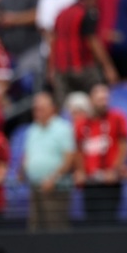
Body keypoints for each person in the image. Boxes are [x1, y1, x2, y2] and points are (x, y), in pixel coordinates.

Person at [74, 83, 127, 226]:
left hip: (110, 181)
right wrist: (80, 171)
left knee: (109, 220)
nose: (103, 103)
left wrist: (115, 169)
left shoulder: (117, 118)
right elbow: (79, 150)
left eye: (105, 99)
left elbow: (124, 146)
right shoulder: (82, 124)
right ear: (91, 100)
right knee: (91, 221)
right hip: (90, 182)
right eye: (99, 99)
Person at [23, 93, 75, 231]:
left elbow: (69, 159)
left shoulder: (63, 128)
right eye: (35, 108)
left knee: (55, 227)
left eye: (41, 108)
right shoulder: (32, 129)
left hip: (55, 189)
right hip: (35, 187)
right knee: (35, 227)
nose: (37, 111)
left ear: (52, 108)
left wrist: (53, 179)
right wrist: (23, 170)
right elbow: (28, 155)